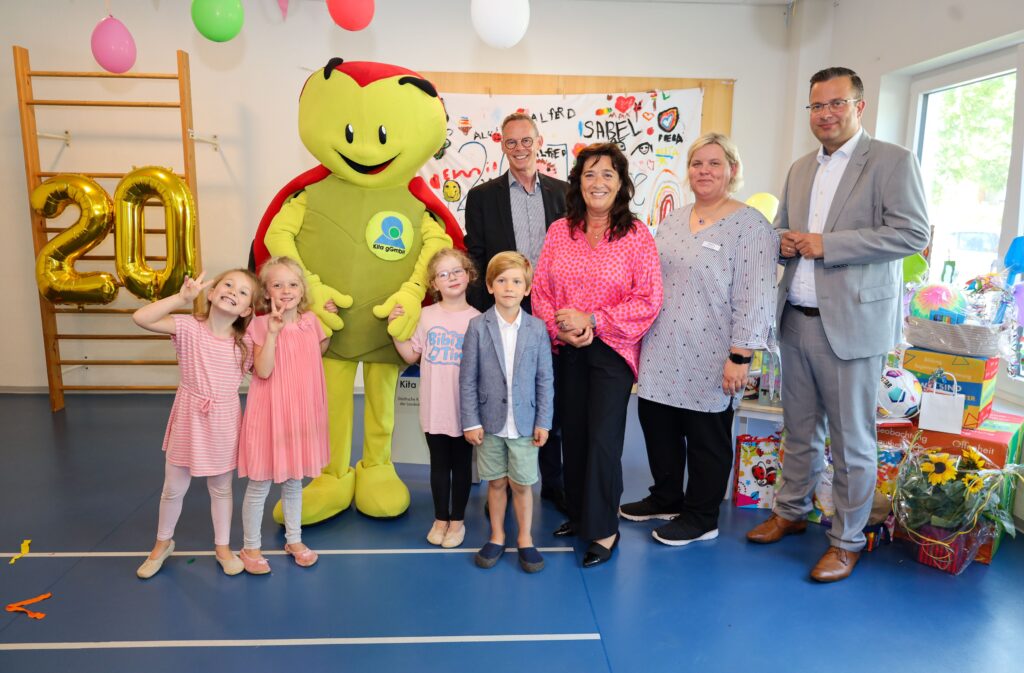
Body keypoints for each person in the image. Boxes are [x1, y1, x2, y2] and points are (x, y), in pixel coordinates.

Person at [746, 67, 930, 582]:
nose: (825, 114)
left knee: (852, 442)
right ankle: (790, 512)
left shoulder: (893, 161)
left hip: (852, 324)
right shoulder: (801, 167)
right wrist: (782, 237)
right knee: (799, 430)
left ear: (859, 106)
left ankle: (847, 540)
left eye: (836, 104)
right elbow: (786, 225)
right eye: (816, 106)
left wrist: (831, 244)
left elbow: (912, 232)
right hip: (797, 319)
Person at [623, 133, 778, 546]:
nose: (704, 171)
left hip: (713, 352)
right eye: (697, 164)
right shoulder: (676, 218)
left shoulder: (751, 226)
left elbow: (757, 295)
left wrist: (740, 356)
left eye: (714, 163)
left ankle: (701, 515)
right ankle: (666, 497)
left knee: (706, 436)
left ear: (732, 169)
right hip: (661, 345)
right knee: (658, 426)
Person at [532, 143, 663, 568]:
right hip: (566, 348)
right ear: (578, 183)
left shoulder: (636, 235)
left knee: (603, 440)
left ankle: (605, 528)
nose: (598, 182)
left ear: (621, 183)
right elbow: (541, 292)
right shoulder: (559, 232)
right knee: (572, 434)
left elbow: (649, 298)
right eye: (590, 174)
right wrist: (561, 330)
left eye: (608, 174)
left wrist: (594, 321)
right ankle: (579, 513)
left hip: (612, 350)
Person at [464, 112, 569, 514]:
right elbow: (475, 256)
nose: (520, 148)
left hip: (550, 311)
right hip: (504, 309)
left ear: (539, 143)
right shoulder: (483, 197)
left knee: (546, 392)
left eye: (527, 141)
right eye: (511, 142)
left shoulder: (563, 194)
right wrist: (487, 308)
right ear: (502, 146)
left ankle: (552, 482)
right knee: (499, 391)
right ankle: (498, 479)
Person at [133, 269, 259, 579]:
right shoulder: (189, 327)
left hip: (224, 420)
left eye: (243, 292)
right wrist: (181, 297)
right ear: (212, 293)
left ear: (247, 311)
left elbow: (270, 369)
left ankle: (223, 547)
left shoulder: (246, 343)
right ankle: (162, 543)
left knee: (221, 488)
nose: (233, 291)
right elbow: (142, 318)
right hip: (189, 416)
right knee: (174, 488)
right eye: (227, 284)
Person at [460, 252, 554, 573]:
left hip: (526, 425)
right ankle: (497, 535)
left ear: (527, 288)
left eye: (516, 281)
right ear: (490, 286)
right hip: (489, 425)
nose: (509, 287)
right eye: (502, 281)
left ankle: (525, 538)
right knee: (496, 483)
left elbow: (545, 378)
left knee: (523, 484)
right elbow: (468, 378)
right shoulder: (477, 327)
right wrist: (471, 420)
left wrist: (544, 421)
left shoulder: (537, 329)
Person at [236, 257, 331, 574]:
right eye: (277, 284)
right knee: (260, 483)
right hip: (270, 415)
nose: (286, 290)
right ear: (266, 291)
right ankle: (250, 546)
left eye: (292, 283)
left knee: (294, 481)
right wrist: (274, 333)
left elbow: (317, 353)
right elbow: (262, 370)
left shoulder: (311, 323)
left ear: (302, 288)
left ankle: (294, 538)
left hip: (300, 415)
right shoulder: (257, 326)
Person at [390, 249, 480, 549]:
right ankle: (441, 518)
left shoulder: (479, 320)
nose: (452, 278)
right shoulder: (426, 316)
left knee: (463, 465)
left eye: (457, 271)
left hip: (466, 411)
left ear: (469, 275)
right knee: (439, 465)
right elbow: (411, 356)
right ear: (434, 284)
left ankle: (457, 522)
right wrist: (395, 332)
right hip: (434, 407)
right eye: (443, 274)